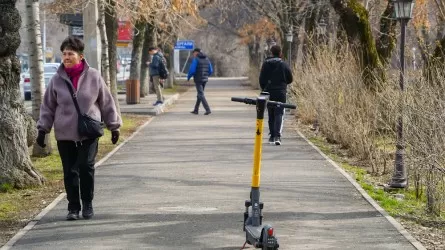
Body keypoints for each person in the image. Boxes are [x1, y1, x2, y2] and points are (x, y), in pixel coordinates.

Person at [36, 36, 122, 220]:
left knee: (86, 166)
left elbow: (106, 102)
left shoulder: (94, 76)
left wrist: (114, 126)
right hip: (65, 133)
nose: (66, 57)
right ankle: (73, 207)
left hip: (88, 132)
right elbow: (48, 106)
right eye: (64, 54)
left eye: (70, 54)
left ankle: (88, 204)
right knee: (70, 171)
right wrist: (43, 130)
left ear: (80, 56)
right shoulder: (56, 80)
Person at [259, 45, 293, 146]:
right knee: (279, 113)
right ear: (280, 53)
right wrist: (283, 84)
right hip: (281, 92)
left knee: (271, 113)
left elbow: (261, 79)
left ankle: (272, 136)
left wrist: (264, 88)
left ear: (271, 53)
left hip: (269, 92)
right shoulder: (284, 64)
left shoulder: (265, 64)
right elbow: (290, 78)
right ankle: (278, 136)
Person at [187, 48, 213, 115]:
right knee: (200, 94)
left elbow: (192, 70)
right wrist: (206, 75)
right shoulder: (207, 59)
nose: (193, 54)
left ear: (196, 52)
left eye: (194, 53)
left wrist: (188, 77)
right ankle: (196, 110)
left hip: (198, 79)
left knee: (201, 94)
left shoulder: (196, 59)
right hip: (204, 79)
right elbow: (211, 70)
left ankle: (208, 109)